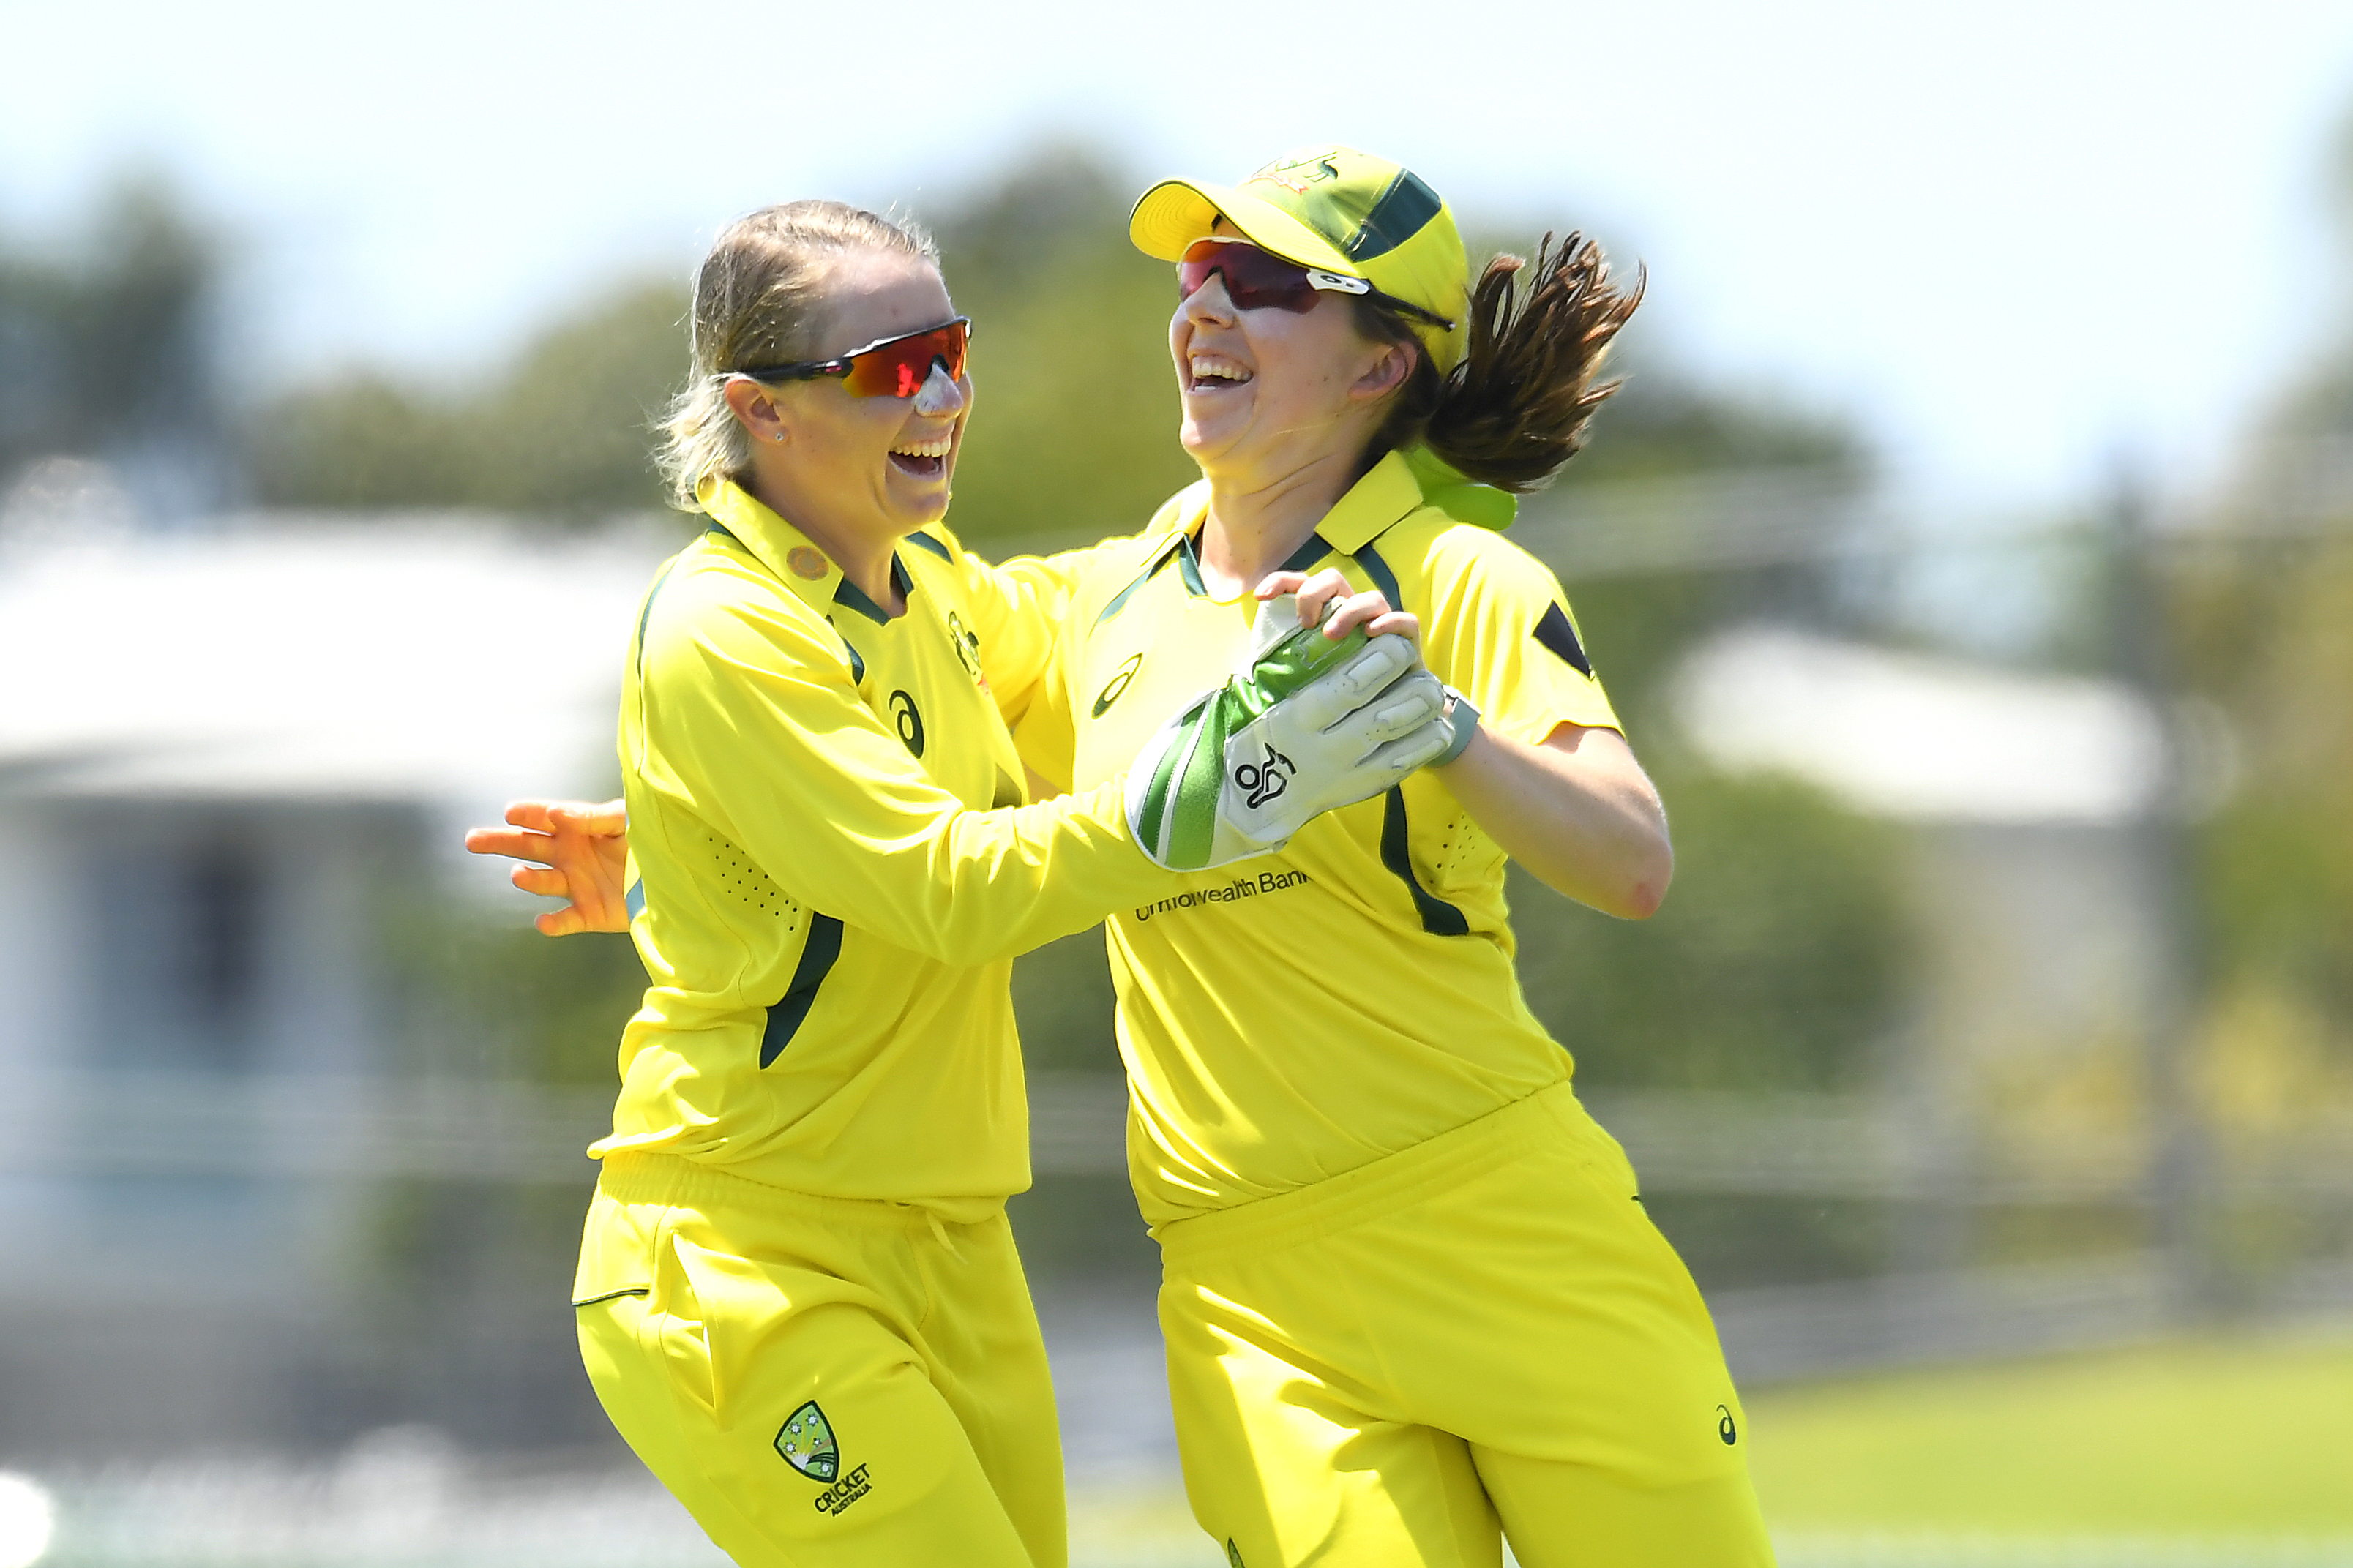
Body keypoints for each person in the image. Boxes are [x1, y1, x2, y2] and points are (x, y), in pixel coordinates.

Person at [487, 149, 1775, 1567]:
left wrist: (1443, 728)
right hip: (1242, 1289)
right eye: (1199, 277)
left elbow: (1633, 858)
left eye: (1270, 285)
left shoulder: (1453, 580)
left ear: (1377, 367)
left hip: (1501, 1223)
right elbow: (936, 827)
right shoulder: (1098, 602)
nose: (1208, 310)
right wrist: (695, 848)